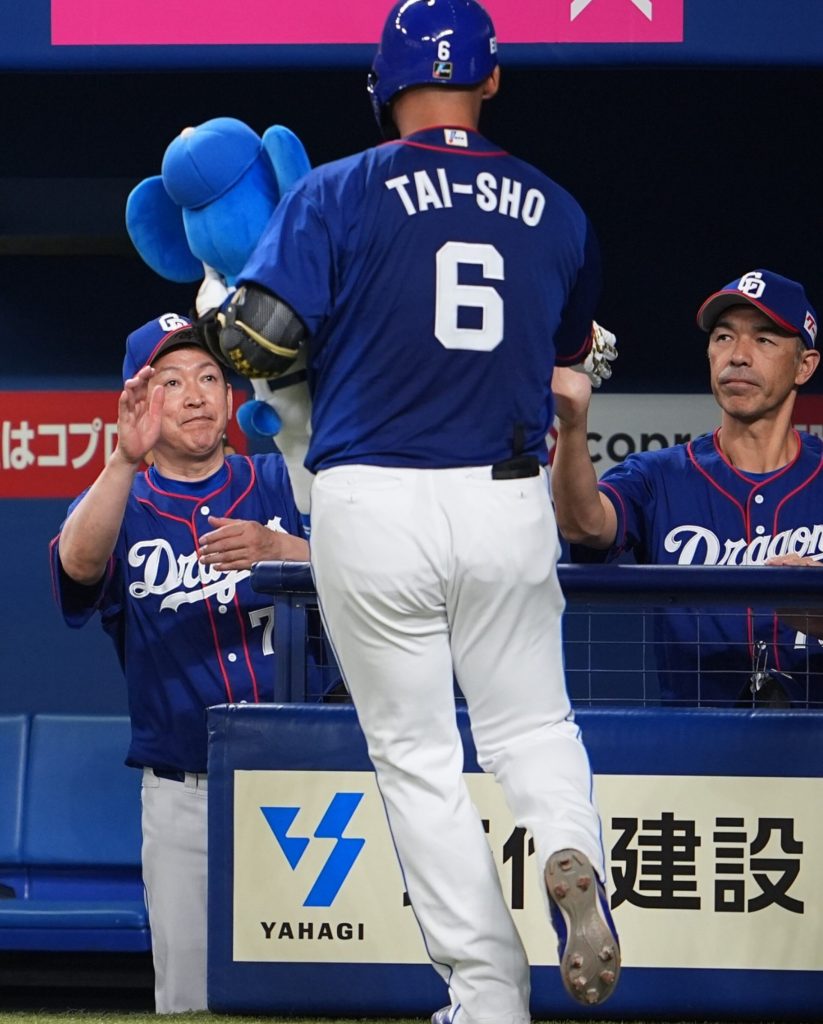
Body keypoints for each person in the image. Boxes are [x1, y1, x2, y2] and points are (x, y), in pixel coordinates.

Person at [210, 0, 622, 1015]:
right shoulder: (560, 210)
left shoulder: (335, 189)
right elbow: (573, 360)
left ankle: (487, 995)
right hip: (504, 495)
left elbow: (257, 339)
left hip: (374, 498)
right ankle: (566, 847)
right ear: (491, 80)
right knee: (530, 723)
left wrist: (227, 302)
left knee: (418, 757)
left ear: (381, 86)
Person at [49, 312, 309, 1013]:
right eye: (170, 382)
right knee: (190, 1002)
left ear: (229, 395)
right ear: (138, 401)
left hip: (306, 785)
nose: (195, 395)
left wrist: (284, 551)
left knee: (312, 990)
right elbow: (77, 567)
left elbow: (378, 574)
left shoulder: (280, 482)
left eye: (209, 377)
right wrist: (120, 461)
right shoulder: (120, 505)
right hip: (185, 792)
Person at [551, 268, 823, 706]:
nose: (738, 355)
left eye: (764, 339)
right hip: (693, 739)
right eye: (723, 337)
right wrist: (572, 420)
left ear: (804, 366)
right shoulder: (659, 475)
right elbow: (583, 524)